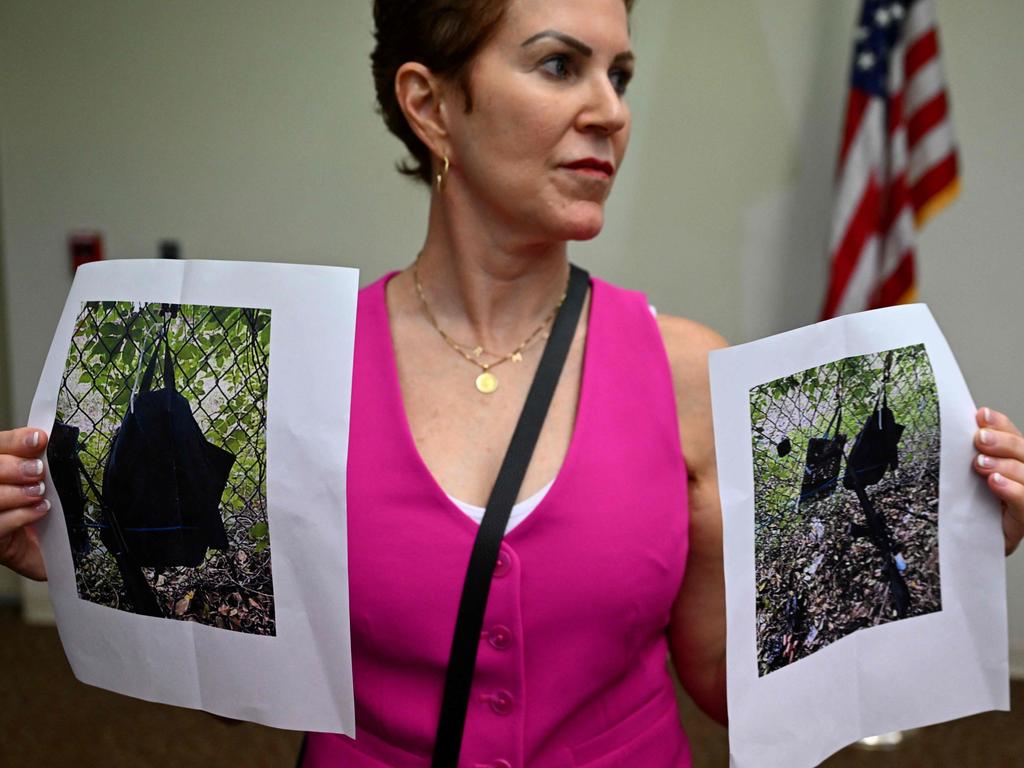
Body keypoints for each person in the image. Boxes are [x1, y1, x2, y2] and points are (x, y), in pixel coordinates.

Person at [1, 0, 1022, 765]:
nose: (609, 112)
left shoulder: (686, 374)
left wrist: (955, 544)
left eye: (618, 73)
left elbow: (726, 684)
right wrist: (93, 566)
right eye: (558, 66)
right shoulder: (297, 374)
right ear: (431, 104)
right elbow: (251, 690)